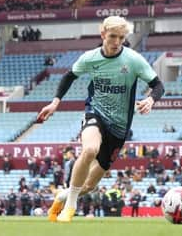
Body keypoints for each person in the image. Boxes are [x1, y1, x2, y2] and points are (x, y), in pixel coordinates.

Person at [39, 16, 164, 223]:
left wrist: (151, 99)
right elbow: (69, 76)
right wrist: (55, 102)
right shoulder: (90, 58)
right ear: (103, 34)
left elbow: (158, 85)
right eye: (113, 36)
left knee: (89, 186)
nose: (116, 42)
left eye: (121, 38)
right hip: (95, 113)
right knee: (89, 150)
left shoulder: (133, 60)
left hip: (119, 127)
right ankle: (70, 207)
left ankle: (62, 196)